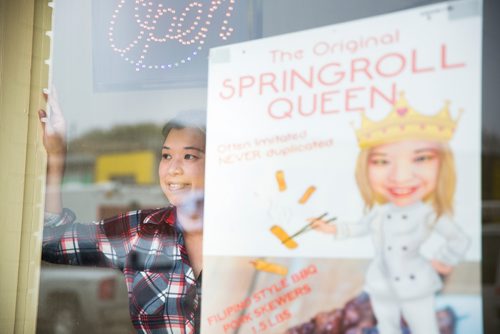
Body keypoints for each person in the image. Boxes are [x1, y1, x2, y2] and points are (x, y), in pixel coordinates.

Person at [39, 87, 205, 334]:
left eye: (189, 157)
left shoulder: (253, 233)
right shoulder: (142, 232)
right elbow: (51, 240)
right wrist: (56, 156)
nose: (173, 169)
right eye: (166, 156)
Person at [313, 92, 470, 334]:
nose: (400, 177)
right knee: (387, 327)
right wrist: (332, 229)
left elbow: (460, 238)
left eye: (421, 158)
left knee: (424, 327)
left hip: (415, 283)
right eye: (382, 161)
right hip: (381, 282)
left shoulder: (427, 213)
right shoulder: (381, 211)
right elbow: (360, 227)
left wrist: (446, 259)